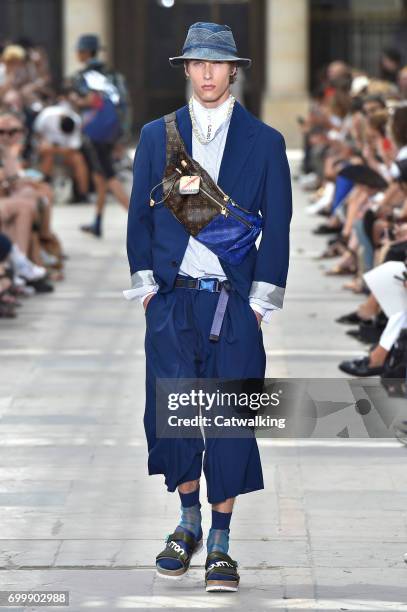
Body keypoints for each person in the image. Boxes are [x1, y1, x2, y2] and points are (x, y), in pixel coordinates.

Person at [124, 22, 292, 592]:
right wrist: (149, 290)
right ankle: (187, 521)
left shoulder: (265, 142)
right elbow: (139, 218)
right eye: (197, 63)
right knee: (172, 422)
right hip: (173, 303)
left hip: (233, 305)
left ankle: (220, 539)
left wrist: (261, 303)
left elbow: (281, 229)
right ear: (187, 69)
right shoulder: (157, 136)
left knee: (229, 424)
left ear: (233, 69)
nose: (207, 73)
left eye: (216, 64)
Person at [69, 34, 130, 237]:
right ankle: (97, 221)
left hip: (94, 132)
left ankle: (140, 220)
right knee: (100, 175)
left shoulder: (81, 77)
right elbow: (124, 104)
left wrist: (75, 101)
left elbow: (86, 100)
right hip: (111, 130)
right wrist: (122, 134)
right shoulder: (113, 74)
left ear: (85, 52)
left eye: (79, 50)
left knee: (108, 175)